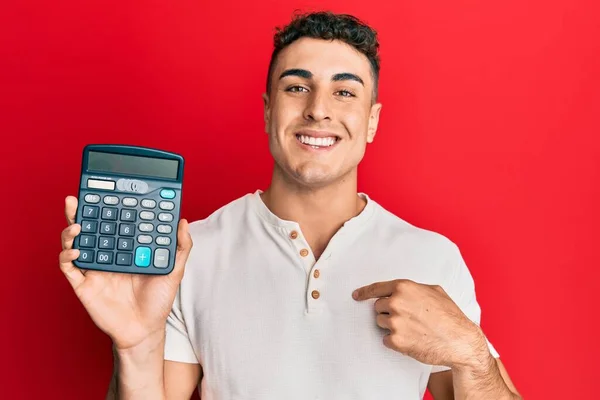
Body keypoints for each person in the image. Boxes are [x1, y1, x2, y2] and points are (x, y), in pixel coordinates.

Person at [59, 11, 522, 400]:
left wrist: (470, 352)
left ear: (372, 120)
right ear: (267, 111)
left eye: (345, 91)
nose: (318, 109)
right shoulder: (190, 251)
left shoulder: (433, 259)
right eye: (297, 87)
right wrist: (136, 344)